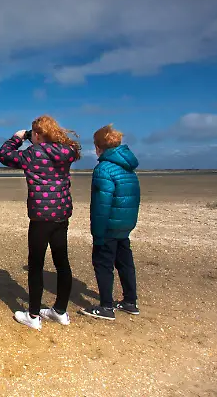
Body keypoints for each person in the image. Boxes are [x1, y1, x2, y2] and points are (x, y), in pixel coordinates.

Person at [0, 115, 81, 330]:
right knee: (62, 262)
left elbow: (4, 156)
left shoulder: (33, 153)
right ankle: (60, 311)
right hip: (61, 214)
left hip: (41, 217)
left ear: (36, 134)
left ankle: (33, 315)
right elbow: (69, 148)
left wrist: (17, 138)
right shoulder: (67, 152)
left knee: (36, 264)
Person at [80, 124, 141, 321]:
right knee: (124, 262)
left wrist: (97, 233)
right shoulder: (128, 168)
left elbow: (101, 204)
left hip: (109, 226)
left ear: (99, 147)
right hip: (124, 225)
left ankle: (106, 306)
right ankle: (130, 301)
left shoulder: (103, 169)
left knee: (103, 263)